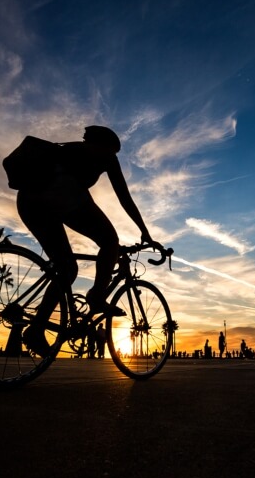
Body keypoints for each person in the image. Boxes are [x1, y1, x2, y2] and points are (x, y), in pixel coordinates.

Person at [10, 126, 158, 356]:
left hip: (28, 200)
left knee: (67, 268)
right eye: (112, 151)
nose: (113, 157)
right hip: (60, 194)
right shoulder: (102, 157)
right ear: (104, 146)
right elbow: (124, 197)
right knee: (110, 241)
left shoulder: (64, 150)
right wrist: (144, 232)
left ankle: (37, 329)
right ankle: (97, 296)